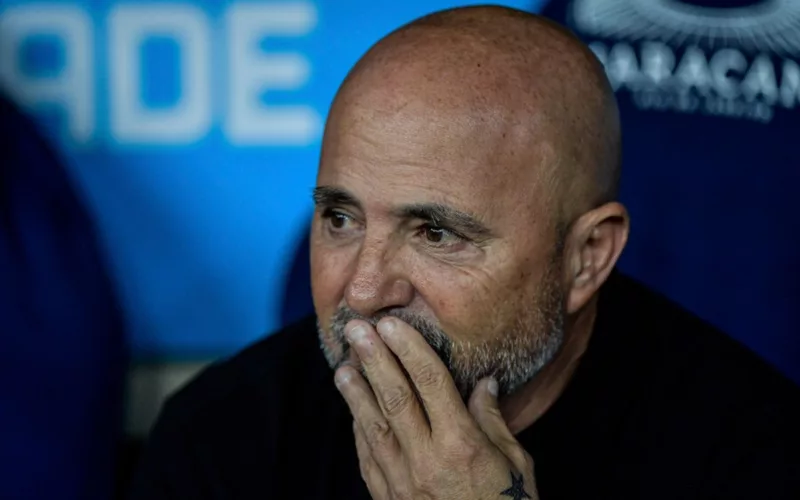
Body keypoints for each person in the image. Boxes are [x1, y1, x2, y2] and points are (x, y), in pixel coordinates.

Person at [128, 6, 800, 500]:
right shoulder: (223, 437)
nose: (363, 291)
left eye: (435, 234)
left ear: (587, 257)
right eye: (340, 218)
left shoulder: (752, 455)